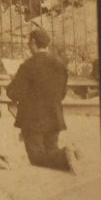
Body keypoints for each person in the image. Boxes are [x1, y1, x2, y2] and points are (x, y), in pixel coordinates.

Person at [6, 28, 78, 173]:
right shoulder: (60, 65)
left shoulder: (28, 65)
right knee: (51, 150)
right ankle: (71, 154)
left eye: (28, 42)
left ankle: (66, 154)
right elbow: (62, 94)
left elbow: (13, 93)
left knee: (36, 157)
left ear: (33, 42)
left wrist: (14, 80)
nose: (28, 45)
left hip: (33, 120)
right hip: (54, 116)